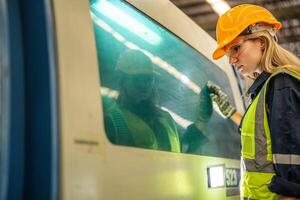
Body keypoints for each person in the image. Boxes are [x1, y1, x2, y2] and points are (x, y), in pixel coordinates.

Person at [208, 4, 300, 200]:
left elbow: (293, 167)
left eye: (236, 48)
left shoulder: (282, 84)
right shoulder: (267, 88)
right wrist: (231, 112)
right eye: (228, 53)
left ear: (261, 41)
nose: (232, 59)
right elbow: (263, 141)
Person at [103, 49, 213, 153]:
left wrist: (202, 119)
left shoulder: (165, 119)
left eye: (148, 79)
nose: (144, 85)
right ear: (121, 80)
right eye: (137, 79)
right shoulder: (114, 122)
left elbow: (184, 149)